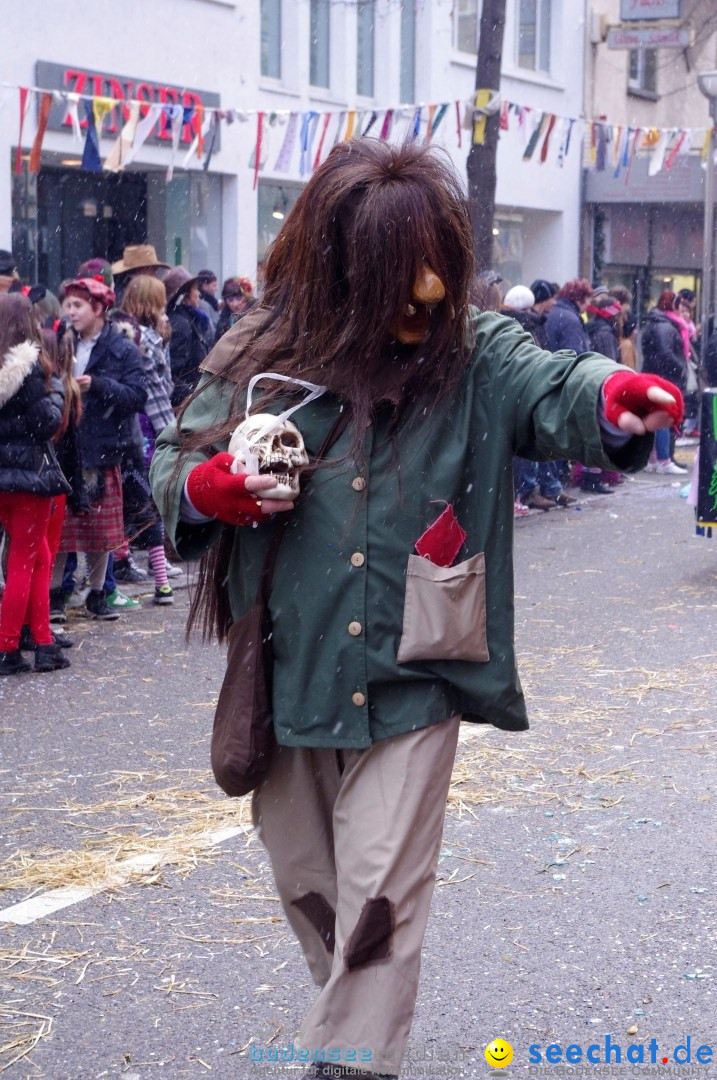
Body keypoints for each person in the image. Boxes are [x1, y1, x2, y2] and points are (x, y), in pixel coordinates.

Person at [150, 140, 679, 1080]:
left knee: (381, 890)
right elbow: (169, 464)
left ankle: (349, 1060)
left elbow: (555, 385)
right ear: (341, 267)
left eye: (437, 267)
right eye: (401, 274)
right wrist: (207, 488)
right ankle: (355, 1016)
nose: (427, 293)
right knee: (312, 885)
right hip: (287, 668)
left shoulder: (475, 351)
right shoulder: (258, 352)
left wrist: (614, 398)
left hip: (417, 676)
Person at [51, 277, 147, 621]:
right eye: (68, 305)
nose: (70, 312)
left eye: (77, 306)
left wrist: (99, 385)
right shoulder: (63, 341)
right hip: (67, 450)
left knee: (99, 532)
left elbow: (138, 397)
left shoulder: (123, 349)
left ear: (98, 309)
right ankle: (56, 596)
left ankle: (96, 594)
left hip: (104, 450)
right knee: (61, 531)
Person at [0, 293, 70, 675]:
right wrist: (56, 390)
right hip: (30, 475)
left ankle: (43, 641)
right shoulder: (29, 368)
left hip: (4, 480)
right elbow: (46, 422)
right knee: (26, 560)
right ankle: (9, 646)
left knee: (37, 556)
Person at [118, 275, 177, 603]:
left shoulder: (130, 332)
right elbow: (160, 385)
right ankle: (158, 572)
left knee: (132, 497)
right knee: (147, 496)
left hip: (138, 423)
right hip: (148, 423)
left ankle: (128, 561)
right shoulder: (145, 338)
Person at [641, 291, 688, 475]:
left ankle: (654, 459)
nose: (682, 308)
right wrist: (681, 368)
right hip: (663, 378)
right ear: (673, 305)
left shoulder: (656, 324)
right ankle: (663, 459)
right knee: (663, 418)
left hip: (655, 376)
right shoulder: (665, 327)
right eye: (680, 304)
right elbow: (665, 353)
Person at [165, 267, 212, 406]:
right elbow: (171, 372)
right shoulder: (181, 325)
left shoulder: (188, 320)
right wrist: (187, 395)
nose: (199, 294)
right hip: (184, 406)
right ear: (184, 296)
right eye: (195, 290)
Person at [544, 279, 592, 354]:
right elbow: (574, 354)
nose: (589, 304)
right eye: (588, 299)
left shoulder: (553, 311)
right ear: (579, 298)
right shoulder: (570, 320)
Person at [214, 277, 256, 342]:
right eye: (230, 299)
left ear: (246, 296)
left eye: (239, 298)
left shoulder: (258, 312)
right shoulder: (223, 323)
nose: (235, 304)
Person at [586, 295, 621, 361]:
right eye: (617, 314)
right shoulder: (605, 334)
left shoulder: (596, 327)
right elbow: (610, 364)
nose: (619, 318)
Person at [528, 279, 557, 349]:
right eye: (553, 298)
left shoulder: (537, 321)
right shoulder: (531, 323)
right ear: (545, 299)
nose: (555, 302)